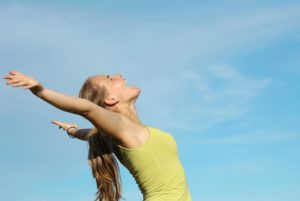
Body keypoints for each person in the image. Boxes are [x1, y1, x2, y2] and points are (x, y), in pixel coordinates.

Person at [4, 70, 192, 201]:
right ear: (110, 99)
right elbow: (88, 110)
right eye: (111, 79)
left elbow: (89, 134)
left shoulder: (116, 133)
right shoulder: (122, 129)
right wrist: (41, 91)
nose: (119, 76)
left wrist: (70, 130)